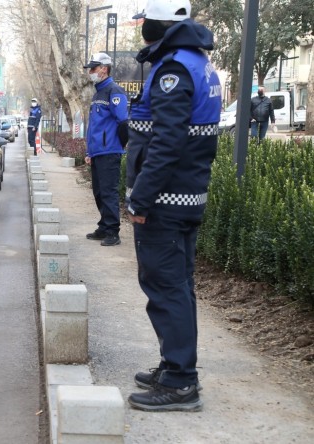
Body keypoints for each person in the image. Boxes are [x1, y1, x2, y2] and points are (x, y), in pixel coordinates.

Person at [125, 0, 221, 412]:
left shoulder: (173, 70)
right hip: (185, 197)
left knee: (165, 289)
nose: (141, 27)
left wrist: (141, 199)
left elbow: (166, 142)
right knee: (178, 287)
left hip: (164, 201)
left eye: (145, 20)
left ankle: (181, 382)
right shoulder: (197, 62)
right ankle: (173, 365)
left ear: (162, 23)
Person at [83, 52, 129, 247]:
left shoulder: (114, 90)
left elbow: (124, 122)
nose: (91, 72)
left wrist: (118, 145)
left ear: (104, 68)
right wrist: (89, 151)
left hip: (109, 152)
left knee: (108, 192)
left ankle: (113, 231)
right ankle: (104, 226)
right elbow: (94, 125)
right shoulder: (98, 93)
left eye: (93, 68)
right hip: (97, 152)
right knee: (99, 192)